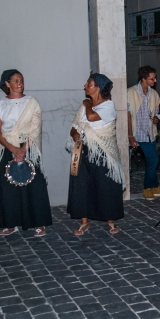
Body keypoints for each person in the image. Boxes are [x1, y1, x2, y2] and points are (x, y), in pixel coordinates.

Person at [0, 69, 52, 237]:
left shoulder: (31, 102)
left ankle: (38, 223)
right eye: (16, 81)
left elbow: (35, 128)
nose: (20, 84)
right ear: (7, 83)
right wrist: (13, 149)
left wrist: (23, 149)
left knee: (34, 185)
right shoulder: (0, 104)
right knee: (7, 186)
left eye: (21, 80)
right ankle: (10, 223)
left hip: (28, 145)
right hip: (7, 146)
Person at [67, 73, 125, 236]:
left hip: (103, 151)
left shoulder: (108, 106)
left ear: (98, 87)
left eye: (89, 83)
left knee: (105, 185)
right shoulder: (84, 106)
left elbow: (91, 117)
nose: (85, 86)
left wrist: (87, 103)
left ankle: (110, 220)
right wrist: (74, 134)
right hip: (84, 150)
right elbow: (74, 125)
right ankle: (84, 222)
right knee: (82, 184)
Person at [127, 66, 160, 199]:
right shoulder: (130, 92)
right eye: (152, 78)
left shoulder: (154, 94)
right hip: (137, 133)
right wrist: (130, 135)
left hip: (150, 133)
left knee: (152, 161)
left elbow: (155, 114)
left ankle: (154, 186)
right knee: (154, 159)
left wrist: (157, 119)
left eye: (155, 78)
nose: (155, 80)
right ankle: (147, 188)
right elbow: (127, 115)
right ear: (143, 79)